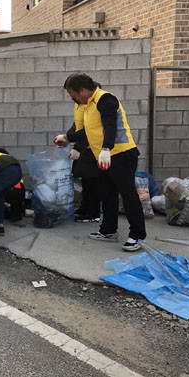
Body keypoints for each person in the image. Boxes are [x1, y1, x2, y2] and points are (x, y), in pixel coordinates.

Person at [54, 73, 146, 251]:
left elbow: (110, 126)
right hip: (104, 157)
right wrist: (67, 137)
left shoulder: (106, 100)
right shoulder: (89, 105)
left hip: (121, 154)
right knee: (107, 194)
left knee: (128, 195)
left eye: (73, 94)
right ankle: (108, 230)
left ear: (82, 90)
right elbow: (88, 131)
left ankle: (137, 235)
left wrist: (106, 148)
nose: (73, 98)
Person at [67, 102, 101, 223]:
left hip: (91, 150)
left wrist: (77, 147)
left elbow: (90, 132)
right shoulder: (79, 105)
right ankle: (85, 207)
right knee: (86, 181)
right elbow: (77, 125)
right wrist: (67, 136)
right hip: (83, 150)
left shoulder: (93, 106)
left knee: (93, 182)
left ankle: (93, 213)